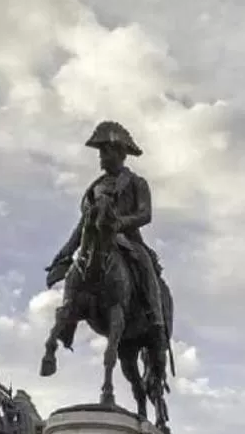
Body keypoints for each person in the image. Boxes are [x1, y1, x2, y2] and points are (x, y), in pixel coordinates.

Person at [44, 121, 167, 345]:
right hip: (96, 240)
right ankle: (67, 322)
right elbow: (82, 225)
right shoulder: (94, 187)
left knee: (145, 266)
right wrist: (62, 254)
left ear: (119, 153)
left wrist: (120, 223)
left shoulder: (137, 183)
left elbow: (145, 214)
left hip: (127, 240)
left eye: (105, 152)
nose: (101, 157)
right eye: (100, 153)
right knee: (76, 270)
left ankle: (155, 319)